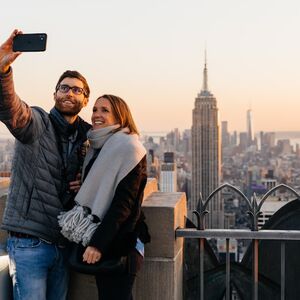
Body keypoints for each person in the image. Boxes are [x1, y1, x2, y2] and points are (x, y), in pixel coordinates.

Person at [0, 29, 91, 300]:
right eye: (64, 87)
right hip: (30, 244)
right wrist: (3, 69)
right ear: (54, 94)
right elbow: (12, 110)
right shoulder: (38, 122)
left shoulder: (89, 139)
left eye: (77, 90)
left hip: (64, 245)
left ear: (85, 99)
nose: (69, 93)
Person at [59, 94, 150, 300]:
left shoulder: (129, 149)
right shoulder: (98, 148)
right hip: (106, 237)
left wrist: (97, 244)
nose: (97, 114)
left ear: (120, 116)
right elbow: (103, 188)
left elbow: (123, 205)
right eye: (94, 110)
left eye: (105, 110)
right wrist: (83, 187)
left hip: (120, 243)